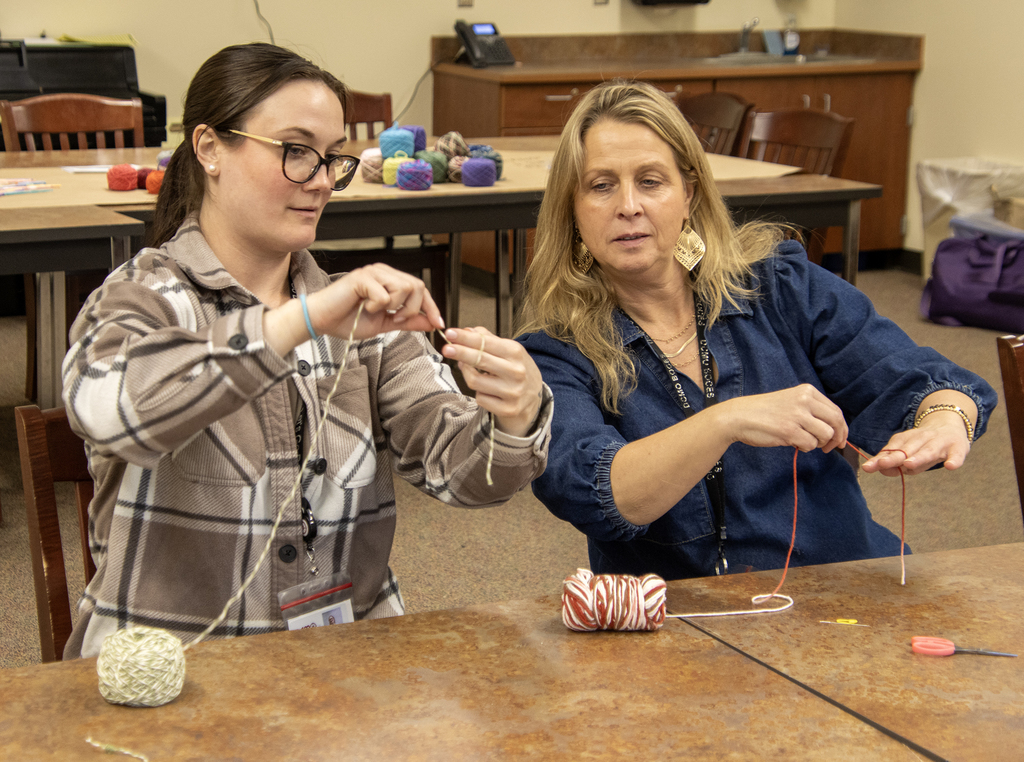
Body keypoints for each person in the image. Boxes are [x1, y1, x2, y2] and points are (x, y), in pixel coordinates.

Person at [61, 43, 551, 659]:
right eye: (296, 151)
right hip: (173, 677)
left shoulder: (354, 315)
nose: (321, 180)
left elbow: (465, 478)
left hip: (340, 668)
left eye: (332, 159)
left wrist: (514, 417)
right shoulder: (143, 297)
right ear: (209, 148)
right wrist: (297, 323)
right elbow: (110, 411)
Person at [517, 80, 996, 581]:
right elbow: (598, 493)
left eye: (652, 181)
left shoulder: (779, 286)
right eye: (601, 185)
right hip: (691, 627)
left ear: (689, 194)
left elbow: (928, 381)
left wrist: (944, 420)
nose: (629, 205)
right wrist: (725, 421)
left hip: (839, 589)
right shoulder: (555, 352)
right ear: (572, 210)